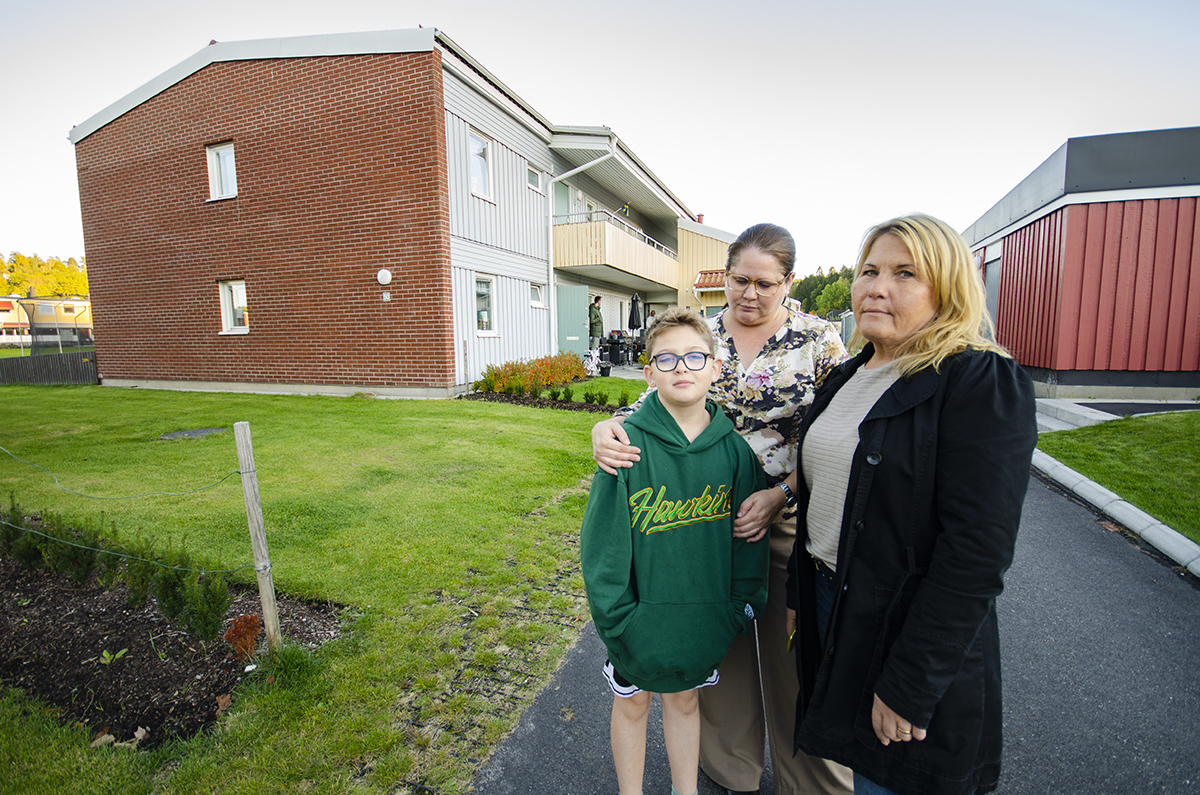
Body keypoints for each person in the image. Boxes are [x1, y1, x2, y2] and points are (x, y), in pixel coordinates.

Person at [593, 223, 852, 795]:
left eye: (765, 282)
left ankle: (807, 780)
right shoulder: (701, 336)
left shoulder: (820, 341)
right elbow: (652, 399)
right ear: (725, 276)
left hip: (789, 518)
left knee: (794, 661)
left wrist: (782, 493)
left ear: (789, 282)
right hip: (706, 518)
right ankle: (729, 769)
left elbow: (842, 432)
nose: (750, 293)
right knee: (720, 655)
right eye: (740, 279)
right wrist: (603, 427)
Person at [785, 214, 1038, 795]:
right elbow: (823, 497)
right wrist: (803, 594)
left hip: (903, 626)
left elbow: (976, 554)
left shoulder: (977, 380)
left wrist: (910, 683)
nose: (877, 286)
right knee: (855, 761)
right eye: (869, 270)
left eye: (905, 273)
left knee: (893, 777)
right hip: (833, 599)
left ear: (946, 291)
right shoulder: (849, 376)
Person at [581, 308, 770, 795]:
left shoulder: (735, 453)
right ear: (648, 373)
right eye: (666, 359)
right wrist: (617, 618)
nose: (681, 367)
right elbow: (602, 547)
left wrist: (736, 608)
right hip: (639, 620)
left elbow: (749, 541)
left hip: (702, 621)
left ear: (714, 367)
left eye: (693, 356)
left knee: (685, 701)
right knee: (633, 704)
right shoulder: (626, 446)